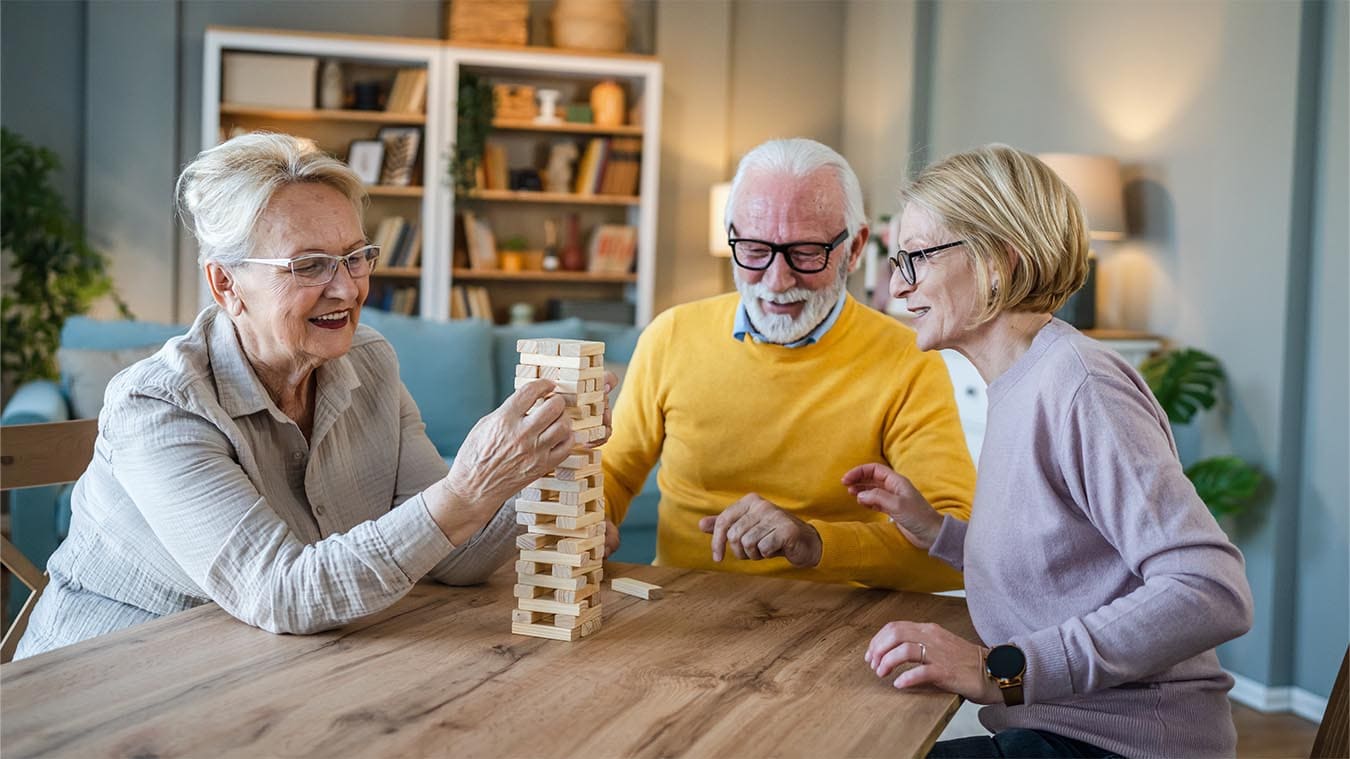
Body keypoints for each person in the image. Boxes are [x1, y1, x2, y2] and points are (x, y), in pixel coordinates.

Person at [16, 133, 611, 658]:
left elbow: (456, 559)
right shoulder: (159, 406)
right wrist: (469, 486)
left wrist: (541, 465)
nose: (347, 289)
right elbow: (283, 594)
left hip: (264, 668)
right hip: (108, 683)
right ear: (226, 283)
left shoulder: (370, 362)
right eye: (309, 266)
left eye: (355, 257)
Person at [848, 144, 1254, 757]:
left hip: (1121, 745)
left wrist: (999, 669)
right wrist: (935, 530)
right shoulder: (1019, 383)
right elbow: (1063, 567)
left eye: (916, 258)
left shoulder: (1080, 385)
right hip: (1051, 729)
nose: (896, 286)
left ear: (997, 263)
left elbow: (1210, 590)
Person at [601, 138, 975, 591]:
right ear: (732, 235)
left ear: (854, 248)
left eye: (806, 253)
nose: (778, 282)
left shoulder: (909, 361)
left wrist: (816, 544)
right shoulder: (671, 334)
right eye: (756, 251)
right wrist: (586, 520)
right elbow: (615, 472)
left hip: (831, 627)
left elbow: (955, 553)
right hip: (680, 610)